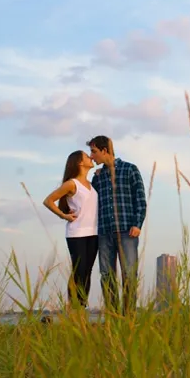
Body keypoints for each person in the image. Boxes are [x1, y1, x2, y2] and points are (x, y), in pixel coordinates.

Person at [87, 135, 147, 315]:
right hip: (104, 233)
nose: (91, 156)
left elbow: (140, 199)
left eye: (94, 151)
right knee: (106, 276)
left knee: (129, 275)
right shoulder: (98, 177)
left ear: (105, 150)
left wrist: (138, 224)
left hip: (127, 231)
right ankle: (113, 316)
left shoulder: (130, 169)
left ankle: (128, 316)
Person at [43, 151, 99, 309]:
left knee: (87, 271)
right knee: (79, 270)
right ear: (80, 163)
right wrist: (63, 215)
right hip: (77, 234)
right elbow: (48, 201)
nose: (91, 157)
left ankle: (80, 308)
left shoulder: (91, 184)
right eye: (87, 156)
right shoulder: (72, 184)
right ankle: (72, 307)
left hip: (94, 233)